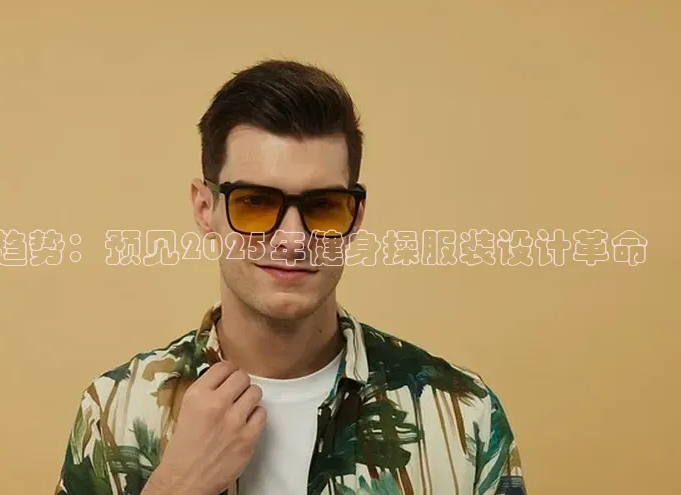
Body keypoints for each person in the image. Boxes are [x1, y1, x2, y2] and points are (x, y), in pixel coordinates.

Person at [54, 59, 527, 495]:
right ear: (204, 208)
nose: (293, 239)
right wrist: (174, 487)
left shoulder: (464, 415)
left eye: (324, 205)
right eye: (255, 202)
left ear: (355, 217)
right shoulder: (114, 412)